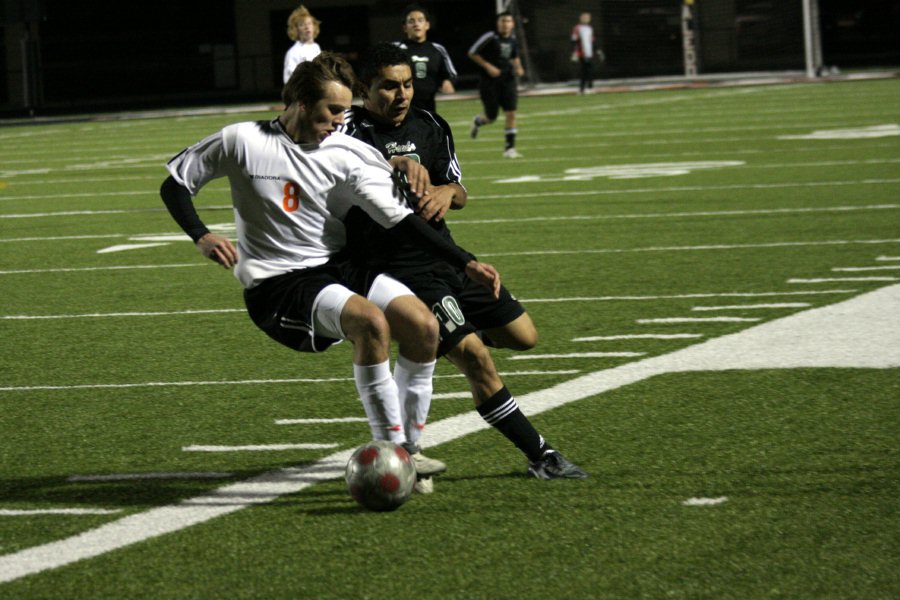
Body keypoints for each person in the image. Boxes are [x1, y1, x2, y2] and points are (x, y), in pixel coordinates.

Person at [159, 52, 502, 487]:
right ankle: (392, 449)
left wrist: (466, 261)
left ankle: (410, 453)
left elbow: (402, 220)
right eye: (333, 109)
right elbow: (175, 183)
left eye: (344, 109)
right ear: (301, 102)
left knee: (423, 326)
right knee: (370, 322)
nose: (342, 119)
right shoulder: (242, 140)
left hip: (336, 268)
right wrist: (201, 234)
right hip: (279, 283)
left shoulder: (347, 151)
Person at [341, 43, 587, 483]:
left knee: (523, 336)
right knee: (477, 359)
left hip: (447, 256)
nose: (401, 96)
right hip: (399, 269)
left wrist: (445, 193)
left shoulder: (431, 125)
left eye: (407, 85)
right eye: (388, 87)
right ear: (363, 88)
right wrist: (392, 164)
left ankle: (450, 336)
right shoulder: (348, 135)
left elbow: (460, 191)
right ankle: (542, 455)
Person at [468, 11, 525, 159]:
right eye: (502, 21)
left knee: (511, 113)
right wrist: (488, 66)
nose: (505, 24)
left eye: (508, 21)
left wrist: (518, 67)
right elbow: (473, 52)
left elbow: (514, 57)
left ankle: (509, 149)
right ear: (498, 23)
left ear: (512, 24)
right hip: (489, 82)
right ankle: (478, 121)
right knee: (491, 116)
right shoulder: (490, 37)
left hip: (508, 80)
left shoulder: (512, 40)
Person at [393, 3, 457, 113]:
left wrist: (447, 82)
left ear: (427, 25)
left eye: (420, 20)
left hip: (430, 108)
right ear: (405, 27)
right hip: (402, 107)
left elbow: (451, 73)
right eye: (411, 21)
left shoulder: (437, 49)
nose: (416, 24)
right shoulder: (395, 49)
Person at [283, 5, 322, 84]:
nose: (307, 27)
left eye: (309, 23)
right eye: (302, 25)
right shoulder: (293, 52)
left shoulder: (316, 47)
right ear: (296, 29)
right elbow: (289, 80)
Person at [571, 12, 599, 94]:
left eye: (588, 18)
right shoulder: (577, 28)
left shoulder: (590, 28)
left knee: (588, 69)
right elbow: (574, 40)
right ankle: (584, 88)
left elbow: (592, 41)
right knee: (586, 70)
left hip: (589, 52)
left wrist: (597, 50)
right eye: (585, 17)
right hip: (581, 52)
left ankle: (587, 87)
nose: (587, 19)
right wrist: (574, 51)